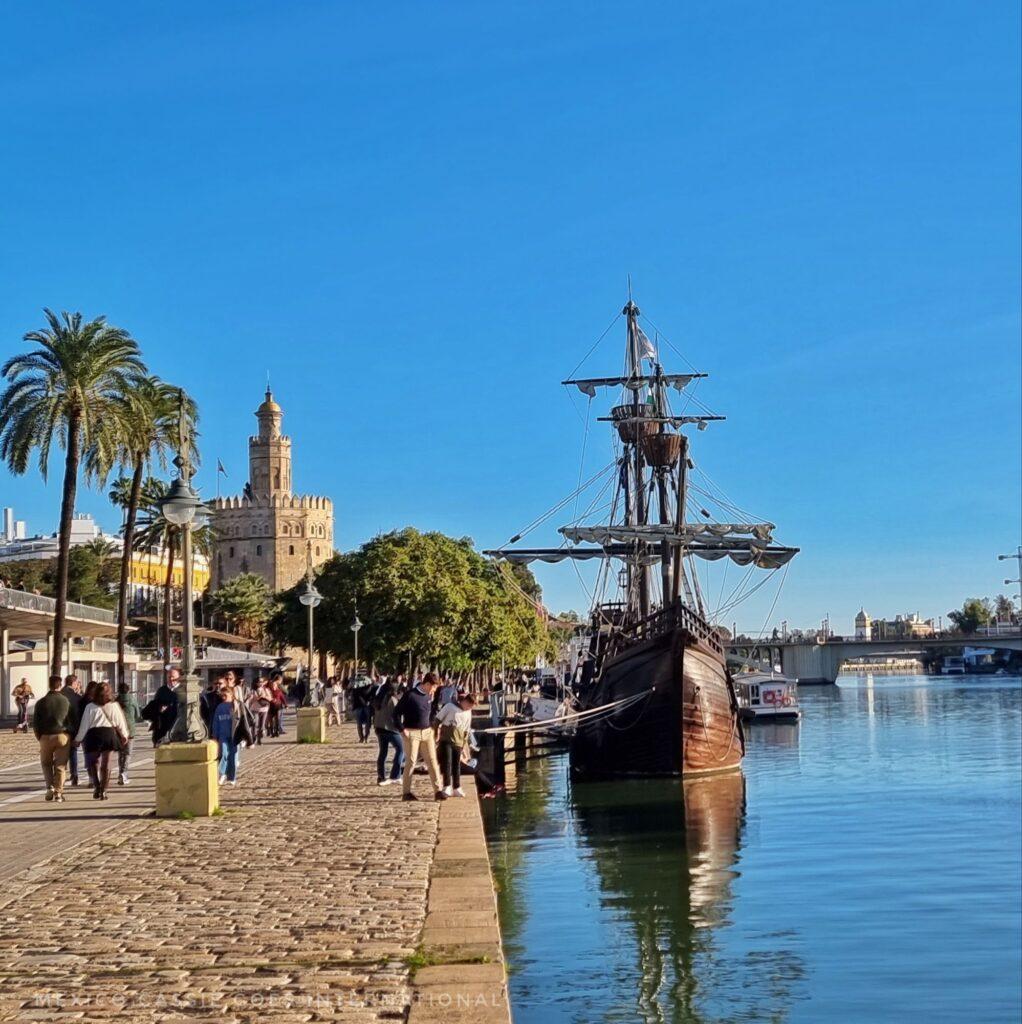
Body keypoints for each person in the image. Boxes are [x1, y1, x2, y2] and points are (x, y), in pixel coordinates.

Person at [74, 681, 129, 800]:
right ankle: (104, 790)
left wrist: (78, 739)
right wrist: (125, 735)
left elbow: (84, 725)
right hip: (108, 734)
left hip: (93, 735)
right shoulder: (114, 705)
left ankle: (97, 787)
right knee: (106, 764)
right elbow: (120, 722)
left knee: (93, 763)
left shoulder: (90, 706)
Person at [395, 673, 445, 801]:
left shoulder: (430, 696)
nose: (434, 690)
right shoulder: (410, 695)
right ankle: (406, 792)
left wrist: (435, 728)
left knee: (432, 760)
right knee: (411, 762)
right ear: (427, 684)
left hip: (427, 732)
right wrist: (402, 729)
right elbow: (395, 714)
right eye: (433, 687)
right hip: (412, 733)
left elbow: (430, 713)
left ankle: (438, 790)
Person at [33, 675, 73, 803]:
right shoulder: (66, 701)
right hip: (62, 735)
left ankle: (49, 786)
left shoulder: (41, 702)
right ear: (60, 686)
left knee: (46, 763)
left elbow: (35, 723)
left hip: (45, 736)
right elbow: (72, 720)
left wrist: (39, 736)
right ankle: (59, 793)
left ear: (49, 685)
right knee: (60, 765)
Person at [210, 681, 254, 786]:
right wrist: (214, 735)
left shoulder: (236, 705)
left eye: (225, 695)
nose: (223, 697)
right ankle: (222, 774)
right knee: (224, 754)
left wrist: (246, 738)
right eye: (222, 695)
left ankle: (232, 777)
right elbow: (215, 721)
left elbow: (244, 722)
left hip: (235, 735)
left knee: (233, 756)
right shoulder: (220, 707)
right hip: (223, 735)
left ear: (231, 694)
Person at [436, 693, 475, 797]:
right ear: (465, 701)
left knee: (456, 765)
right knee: (447, 763)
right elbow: (438, 719)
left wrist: (464, 745)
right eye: (469, 705)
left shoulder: (468, 712)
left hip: (459, 741)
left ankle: (457, 787)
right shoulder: (450, 706)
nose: (469, 708)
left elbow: (467, 729)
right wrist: (435, 734)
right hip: (446, 740)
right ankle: (447, 785)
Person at [372, 677, 404, 786]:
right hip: (390, 729)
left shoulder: (379, 698)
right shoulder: (392, 700)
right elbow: (396, 716)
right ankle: (395, 775)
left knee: (383, 753)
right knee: (401, 749)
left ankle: (381, 776)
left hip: (379, 728)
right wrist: (401, 728)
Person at [144, 669, 180, 745]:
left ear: (178, 678)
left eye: (173, 677)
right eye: (169, 677)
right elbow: (154, 706)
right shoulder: (161, 691)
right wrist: (159, 709)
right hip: (163, 727)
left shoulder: (182, 690)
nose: (171, 679)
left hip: (178, 727)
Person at [60, 675, 83, 787]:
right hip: (73, 728)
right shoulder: (76, 697)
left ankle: (60, 775)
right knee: (72, 752)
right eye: (77, 682)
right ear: (73, 683)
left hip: (60, 728)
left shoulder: (60, 694)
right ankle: (74, 774)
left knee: (60, 752)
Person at [116, 682, 140, 785]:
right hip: (130, 729)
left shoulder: (116, 701)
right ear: (128, 690)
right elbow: (138, 714)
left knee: (121, 753)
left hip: (118, 730)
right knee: (128, 753)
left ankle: (120, 772)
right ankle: (124, 773)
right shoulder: (132, 699)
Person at [351, 676, 373, 743]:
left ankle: (361, 738)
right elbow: (372, 696)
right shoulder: (370, 687)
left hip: (358, 706)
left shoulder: (355, 688)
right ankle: (366, 737)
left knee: (359, 723)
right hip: (366, 706)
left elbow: (353, 697)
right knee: (367, 723)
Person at [267, 671, 287, 737]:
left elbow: (282, 698)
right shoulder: (268, 691)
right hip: (271, 706)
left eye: (274, 685)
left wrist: (286, 705)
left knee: (277, 719)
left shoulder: (279, 691)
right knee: (271, 720)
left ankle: (277, 731)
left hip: (278, 706)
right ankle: (272, 731)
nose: (273, 686)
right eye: (272, 685)